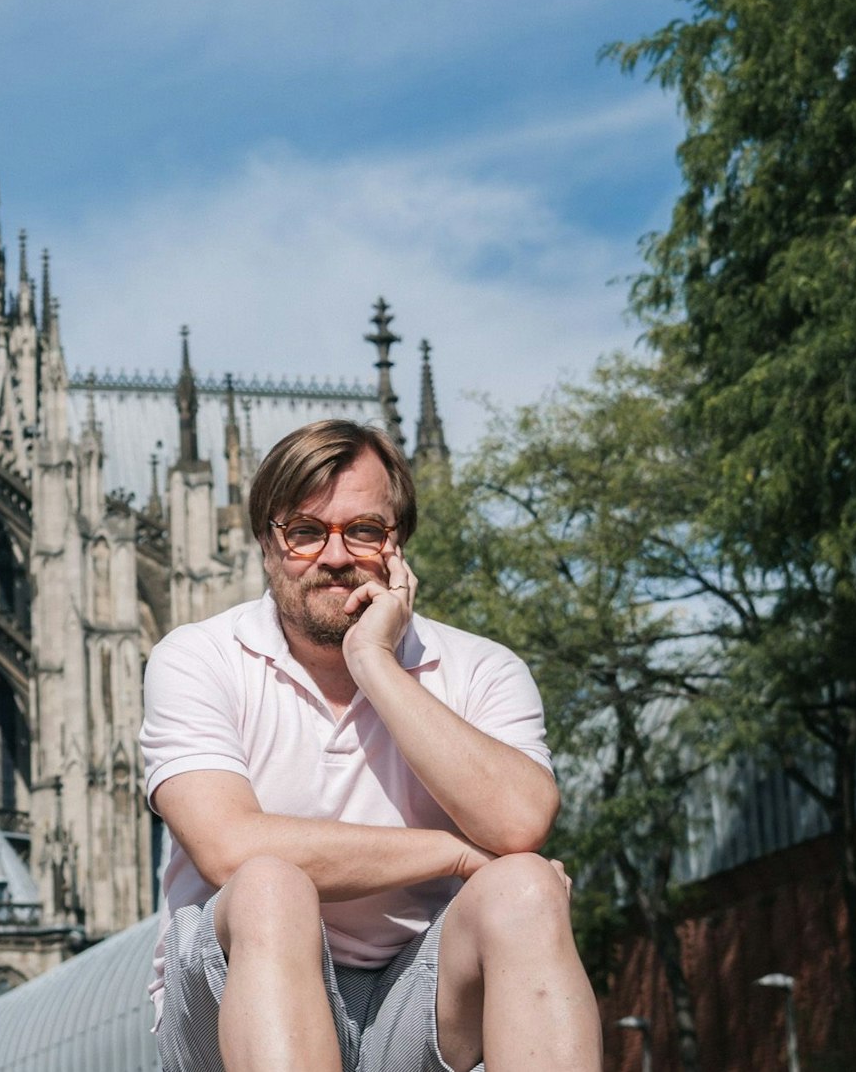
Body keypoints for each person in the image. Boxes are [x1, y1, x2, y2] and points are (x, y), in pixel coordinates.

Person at [142, 419, 599, 1072]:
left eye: (363, 530)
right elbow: (229, 847)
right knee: (269, 884)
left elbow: (521, 822)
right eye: (304, 531)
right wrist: (454, 852)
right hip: (228, 1007)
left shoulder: (482, 667)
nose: (334, 555)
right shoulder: (198, 657)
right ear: (265, 546)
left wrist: (375, 661)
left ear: (398, 546)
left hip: (417, 1001)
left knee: (526, 886)